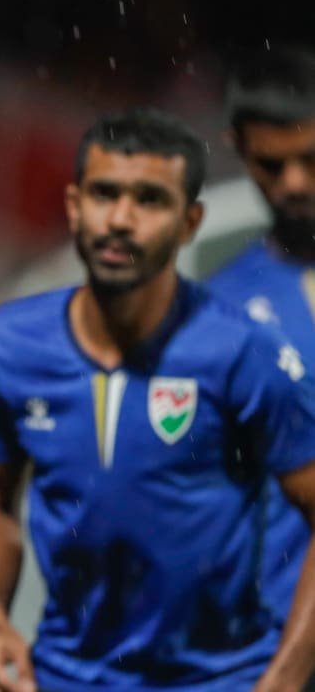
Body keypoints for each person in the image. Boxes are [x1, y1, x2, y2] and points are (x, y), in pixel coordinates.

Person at [0, 108, 315, 691]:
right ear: (74, 205)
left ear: (190, 222)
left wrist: (284, 679)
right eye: (105, 194)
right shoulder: (15, 342)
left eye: (150, 200)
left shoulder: (243, 349)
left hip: (218, 679)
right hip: (64, 677)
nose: (121, 220)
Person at [208, 46, 315, 675]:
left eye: (312, 159)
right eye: (273, 164)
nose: (294, 183)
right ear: (239, 150)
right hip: (273, 641)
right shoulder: (217, 310)